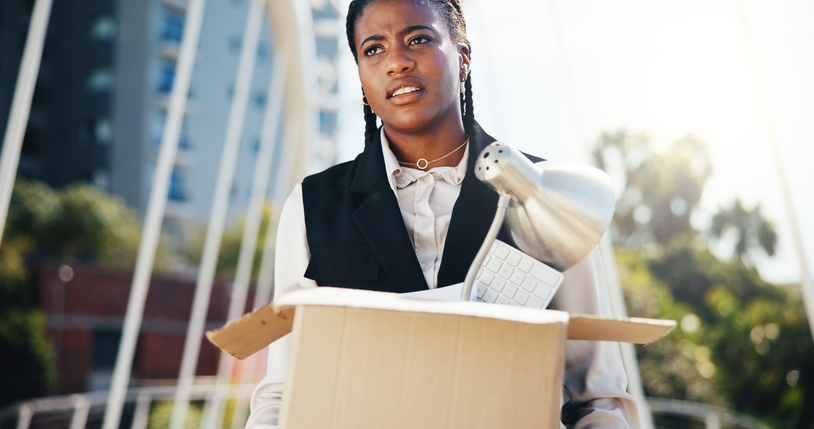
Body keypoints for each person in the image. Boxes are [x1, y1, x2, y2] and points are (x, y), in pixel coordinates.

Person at [246, 0, 638, 427]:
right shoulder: (312, 204)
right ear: (360, 76)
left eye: (418, 39)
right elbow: (283, 392)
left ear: (463, 58)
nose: (396, 61)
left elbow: (599, 398)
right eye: (373, 49)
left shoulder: (546, 194)